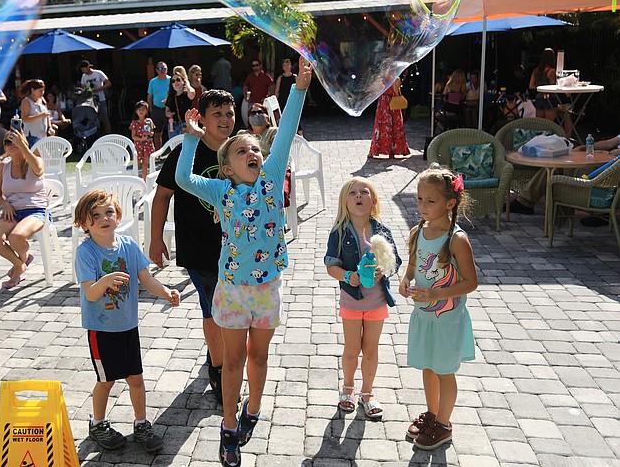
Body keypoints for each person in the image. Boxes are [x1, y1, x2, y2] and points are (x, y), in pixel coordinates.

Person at [175, 57, 311, 467]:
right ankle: (229, 425)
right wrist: (191, 138)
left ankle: (253, 410)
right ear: (227, 167)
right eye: (242, 150)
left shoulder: (270, 175)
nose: (252, 151)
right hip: (232, 290)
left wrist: (300, 87)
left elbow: (284, 130)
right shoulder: (221, 191)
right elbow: (183, 179)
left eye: (254, 147)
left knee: (260, 357)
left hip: (268, 288)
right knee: (233, 360)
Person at [73, 189, 180, 452]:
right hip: (102, 329)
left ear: (118, 215)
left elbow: (146, 279)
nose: (103, 219)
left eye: (108, 212)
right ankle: (97, 423)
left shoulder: (129, 246)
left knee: (136, 378)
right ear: (84, 224)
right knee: (106, 380)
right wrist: (105, 281)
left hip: (128, 325)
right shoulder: (86, 252)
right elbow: (90, 292)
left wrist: (165, 292)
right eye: (95, 216)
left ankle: (141, 424)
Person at [150, 89, 235, 407]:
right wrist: (156, 238)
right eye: (218, 114)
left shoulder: (237, 150)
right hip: (198, 247)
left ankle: (222, 354)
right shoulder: (188, 152)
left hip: (235, 249)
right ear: (202, 118)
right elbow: (162, 196)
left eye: (229, 113)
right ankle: (218, 369)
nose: (225, 120)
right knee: (213, 308)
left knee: (231, 309)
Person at [398, 167, 478, 450]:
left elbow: (471, 282)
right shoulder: (418, 232)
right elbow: (410, 266)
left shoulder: (457, 240)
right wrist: (405, 281)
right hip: (424, 316)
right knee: (428, 367)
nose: (422, 206)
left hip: (447, 319)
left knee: (444, 370)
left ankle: (444, 425)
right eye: (419, 199)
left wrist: (437, 292)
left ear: (449, 203)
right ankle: (432, 414)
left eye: (429, 201)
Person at [325, 177, 401, 419]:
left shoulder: (382, 231)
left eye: (364, 192)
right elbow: (330, 265)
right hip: (352, 301)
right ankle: (347, 389)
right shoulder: (339, 233)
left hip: (377, 302)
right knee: (351, 348)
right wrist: (347, 276)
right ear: (345, 202)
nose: (359, 196)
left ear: (373, 200)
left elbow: (395, 262)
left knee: (370, 349)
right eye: (353, 193)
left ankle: (367, 393)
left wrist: (383, 269)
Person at [0, 129, 46, 289]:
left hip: (35, 210)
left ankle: (21, 262)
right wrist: (4, 204)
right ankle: (20, 264)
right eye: (8, 142)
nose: (12, 144)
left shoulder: (35, 160)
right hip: (13, 211)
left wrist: (23, 146)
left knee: (16, 236)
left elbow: (38, 169)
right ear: (4, 148)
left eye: (16, 140)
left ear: (24, 142)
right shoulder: (3, 166)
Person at [510, 132, 620, 216]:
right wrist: (584, 147)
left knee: (562, 166)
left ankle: (529, 201)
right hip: (606, 159)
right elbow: (610, 143)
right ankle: (528, 201)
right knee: (556, 166)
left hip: (609, 168)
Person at [368, 77, 410, 159]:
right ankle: (393, 150)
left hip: (384, 103)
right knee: (395, 126)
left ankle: (375, 150)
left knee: (381, 126)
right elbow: (396, 92)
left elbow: (375, 90)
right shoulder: (396, 78)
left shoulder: (381, 79)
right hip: (393, 105)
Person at [79, 60, 112, 135]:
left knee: (105, 118)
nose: (83, 71)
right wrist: (88, 90)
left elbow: (108, 83)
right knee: (93, 119)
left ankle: (109, 134)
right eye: (82, 70)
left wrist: (99, 88)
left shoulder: (98, 73)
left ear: (88, 67)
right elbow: (83, 86)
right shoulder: (84, 76)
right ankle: (95, 135)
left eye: (84, 69)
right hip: (90, 100)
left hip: (101, 98)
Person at [18, 79, 51, 148]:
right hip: (32, 135)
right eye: (40, 91)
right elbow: (24, 119)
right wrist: (39, 116)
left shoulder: (42, 99)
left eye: (43, 90)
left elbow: (47, 115)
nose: (42, 93)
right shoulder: (26, 101)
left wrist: (50, 127)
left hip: (43, 134)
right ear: (32, 90)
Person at [165, 66, 195, 140]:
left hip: (185, 124)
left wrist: (187, 83)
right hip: (173, 126)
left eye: (178, 80)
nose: (176, 82)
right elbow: (167, 110)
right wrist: (168, 114)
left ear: (183, 81)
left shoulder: (186, 94)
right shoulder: (171, 96)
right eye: (173, 81)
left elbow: (192, 92)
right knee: (175, 148)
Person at [129, 101, 155, 182]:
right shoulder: (134, 123)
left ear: (146, 111)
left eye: (143, 109)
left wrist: (149, 133)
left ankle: (145, 182)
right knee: (137, 164)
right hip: (138, 145)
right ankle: (135, 181)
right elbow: (133, 136)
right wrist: (141, 139)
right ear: (136, 111)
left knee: (145, 164)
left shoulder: (149, 121)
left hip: (147, 145)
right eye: (139, 109)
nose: (141, 111)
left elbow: (152, 133)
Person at [147, 62, 171, 149]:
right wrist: (150, 109)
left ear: (167, 70)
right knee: (157, 133)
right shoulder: (153, 82)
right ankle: (158, 152)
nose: (162, 71)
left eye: (164, 68)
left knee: (171, 132)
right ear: (156, 70)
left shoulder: (172, 80)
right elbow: (150, 96)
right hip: (156, 110)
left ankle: (172, 151)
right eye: (160, 69)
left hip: (169, 110)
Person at [274, 58, 296, 125]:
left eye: (288, 64)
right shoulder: (280, 78)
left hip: (292, 100)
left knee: (294, 119)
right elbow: (277, 91)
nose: (286, 67)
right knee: (284, 120)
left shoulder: (295, 77)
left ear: (291, 66)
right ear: (282, 67)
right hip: (283, 101)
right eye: (284, 65)